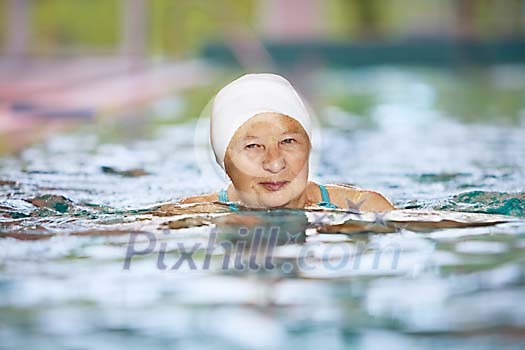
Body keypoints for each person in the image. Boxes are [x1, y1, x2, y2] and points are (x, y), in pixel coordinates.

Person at [180, 73, 394, 212]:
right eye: (253, 146)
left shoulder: (367, 209)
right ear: (224, 161)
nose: (275, 163)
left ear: (309, 148)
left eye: (288, 141)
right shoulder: (191, 216)